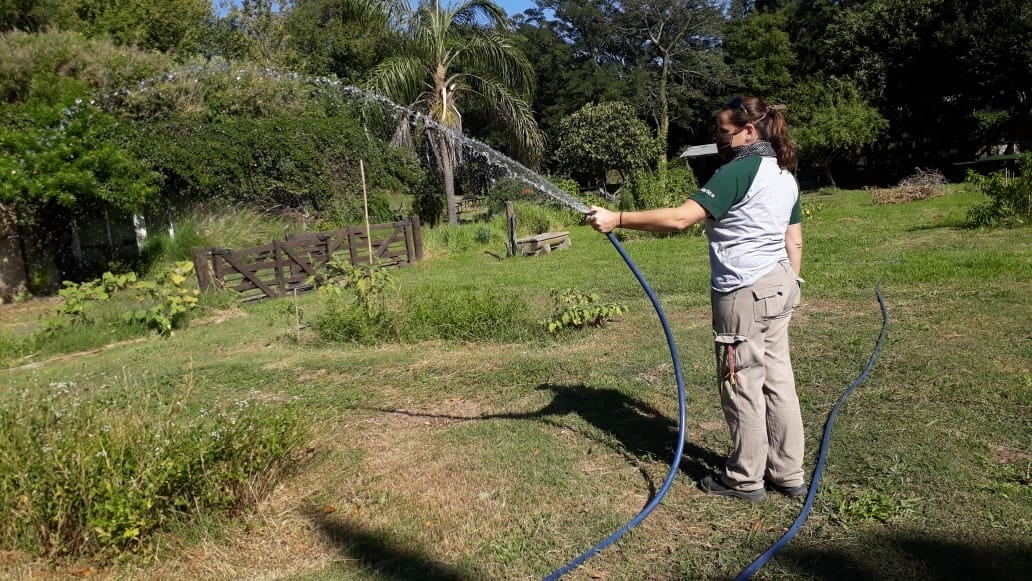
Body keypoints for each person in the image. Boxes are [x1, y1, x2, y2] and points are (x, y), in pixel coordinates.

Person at [586, 96, 806, 503]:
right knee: (778, 381)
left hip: (743, 291)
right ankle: (788, 473)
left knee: (741, 383)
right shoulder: (784, 175)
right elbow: (793, 239)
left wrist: (616, 218)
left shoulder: (738, 171)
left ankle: (744, 480)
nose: (719, 140)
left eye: (724, 132)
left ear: (749, 132)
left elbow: (679, 218)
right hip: (780, 284)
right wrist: (790, 288)